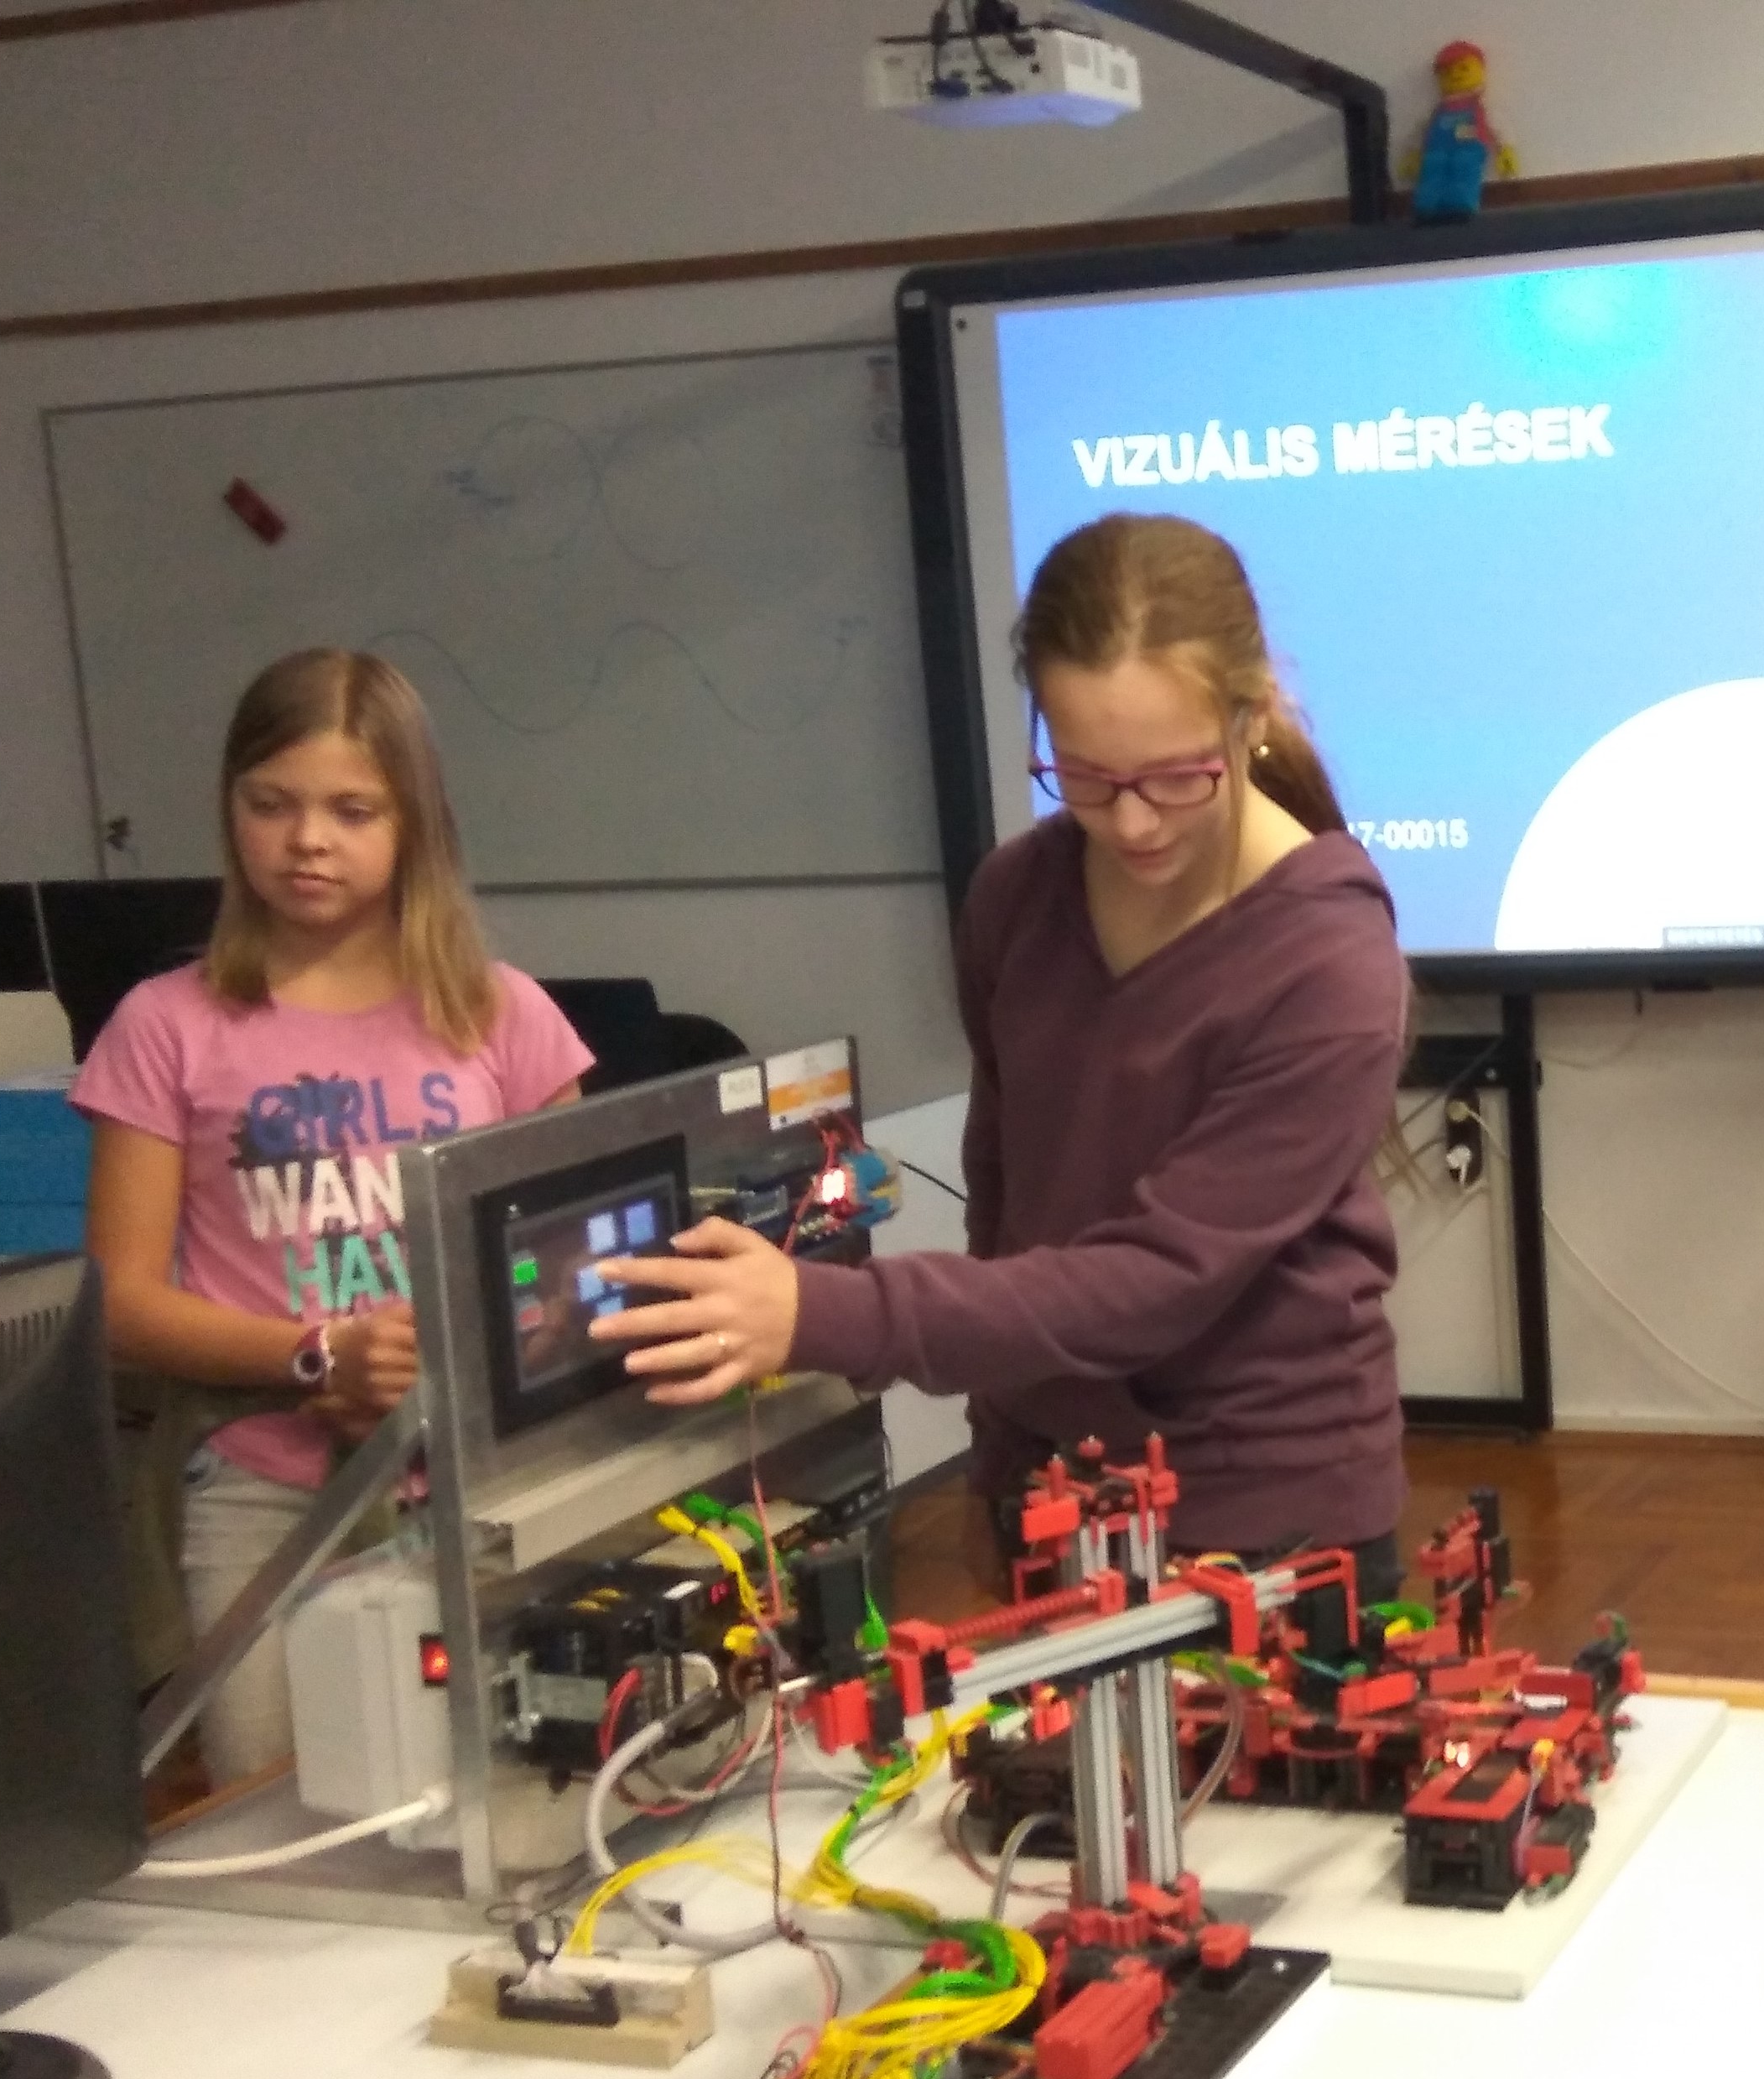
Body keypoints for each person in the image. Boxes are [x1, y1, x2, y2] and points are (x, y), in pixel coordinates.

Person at [594, 514, 1414, 1592]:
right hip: (1052, 1487)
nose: (1132, 823)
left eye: (1176, 777)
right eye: (1086, 775)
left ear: (1251, 715)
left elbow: (1155, 1281)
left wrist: (822, 1313)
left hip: (1261, 1511)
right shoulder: (1016, 897)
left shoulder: (1328, 959)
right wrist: (1001, 1458)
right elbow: (1007, 1201)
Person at [74, 649, 593, 1782]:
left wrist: (462, 1350)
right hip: (264, 1488)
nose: (307, 840)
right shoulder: (166, 1026)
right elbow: (118, 1302)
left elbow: (578, 1255)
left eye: (352, 811)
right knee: (271, 1793)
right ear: (231, 810)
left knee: (498, 1780)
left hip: (474, 1477)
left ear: (416, 823)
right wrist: (316, 1355)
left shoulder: (501, 1015)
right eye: (272, 804)